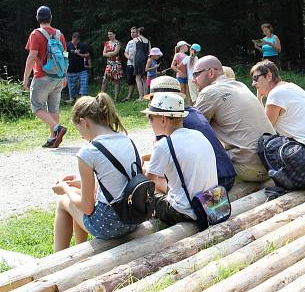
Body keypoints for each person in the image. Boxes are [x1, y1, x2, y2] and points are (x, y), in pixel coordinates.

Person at [51, 94, 140, 251]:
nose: (80, 134)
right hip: (133, 217)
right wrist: (79, 182)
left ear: (84, 123)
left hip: (110, 224)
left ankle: (57, 258)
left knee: (64, 201)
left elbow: (87, 208)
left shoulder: (88, 151)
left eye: (78, 128)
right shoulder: (126, 140)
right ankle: (81, 249)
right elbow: (115, 181)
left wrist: (65, 188)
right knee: (76, 193)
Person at [146, 76, 237, 192]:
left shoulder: (172, 126)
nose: (150, 104)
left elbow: (160, 162)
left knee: (150, 175)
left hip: (211, 188)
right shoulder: (193, 113)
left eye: (153, 100)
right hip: (225, 176)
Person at [193, 55, 276, 182]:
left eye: (196, 74)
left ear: (210, 72)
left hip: (250, 169)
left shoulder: (209, 92)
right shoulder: (239, 85)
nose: (193, 80)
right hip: (271, 163)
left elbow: (189, 131)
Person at [144, 92, 218, 225]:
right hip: (211, 203)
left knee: (148, 186)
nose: (149, 122)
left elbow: (147, 185)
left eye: (150, 117)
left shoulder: (163, 145)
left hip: (185, 211)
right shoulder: (198, 135)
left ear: (163, 119)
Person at [251, 60, 305, 159]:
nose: (253, 83)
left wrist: (258, 100)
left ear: (269, 76)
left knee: (263, 143)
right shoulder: (290, 86)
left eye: (255, 78)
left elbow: (265, 128)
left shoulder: (276, 94)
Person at [22, 5, 68, 148]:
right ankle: (53, 139)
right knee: (53, 108)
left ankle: (57, 129)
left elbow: (32, 57)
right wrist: (65, 76)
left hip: (42, 77)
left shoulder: (36, 34)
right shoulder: (60, 34)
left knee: (37, 107)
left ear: (37, 18)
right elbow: (65, 56)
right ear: (51, 18)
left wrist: (25, 78)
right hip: (58, 77)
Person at [66, 32, 91, 103]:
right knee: (72, 87)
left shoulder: (83, 45)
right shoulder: (68, 45)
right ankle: (73, 99)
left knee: (84, 84)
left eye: (77, 40)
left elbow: (88, 55)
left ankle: (83, 100)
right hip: (70, 70)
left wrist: (79, 54)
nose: (76, 42)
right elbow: (64, 56)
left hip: (81, 70)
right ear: (73, 38)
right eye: (75, 40)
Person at [100, 30, 122, 100]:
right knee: (105, 80)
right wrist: (110, 53)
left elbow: (115, 53)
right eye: (108, 34)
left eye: (110, 34)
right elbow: (103, 54)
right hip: (109, 64)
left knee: (116, 80)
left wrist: (108, 53)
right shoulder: (106, 43)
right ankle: (101, 97)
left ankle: (116, 98)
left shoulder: (118, 43)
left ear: (114, 34)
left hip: (116, 64)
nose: (109, 36)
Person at [133, 27, 151, 100]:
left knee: (138, 77)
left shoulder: (135, 40)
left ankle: (141, 97)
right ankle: (146, 96)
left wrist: (134, 61)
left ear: (138, 33)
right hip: (146, 59)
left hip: (138, 59)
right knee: (144, 78)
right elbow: (150, 52)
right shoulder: (148, 41)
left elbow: (134, 51)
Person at [123, 27, 138, 101]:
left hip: (138, 64)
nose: (132, 34)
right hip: (130, 64)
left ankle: (141, 96)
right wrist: (128, 57)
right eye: (131, 32)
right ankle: (129, 96)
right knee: (130, 80)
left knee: (139, 79)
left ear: (137, 33)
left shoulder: (141, 41)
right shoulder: (129, 42)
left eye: (134, 32)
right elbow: (125, 52)